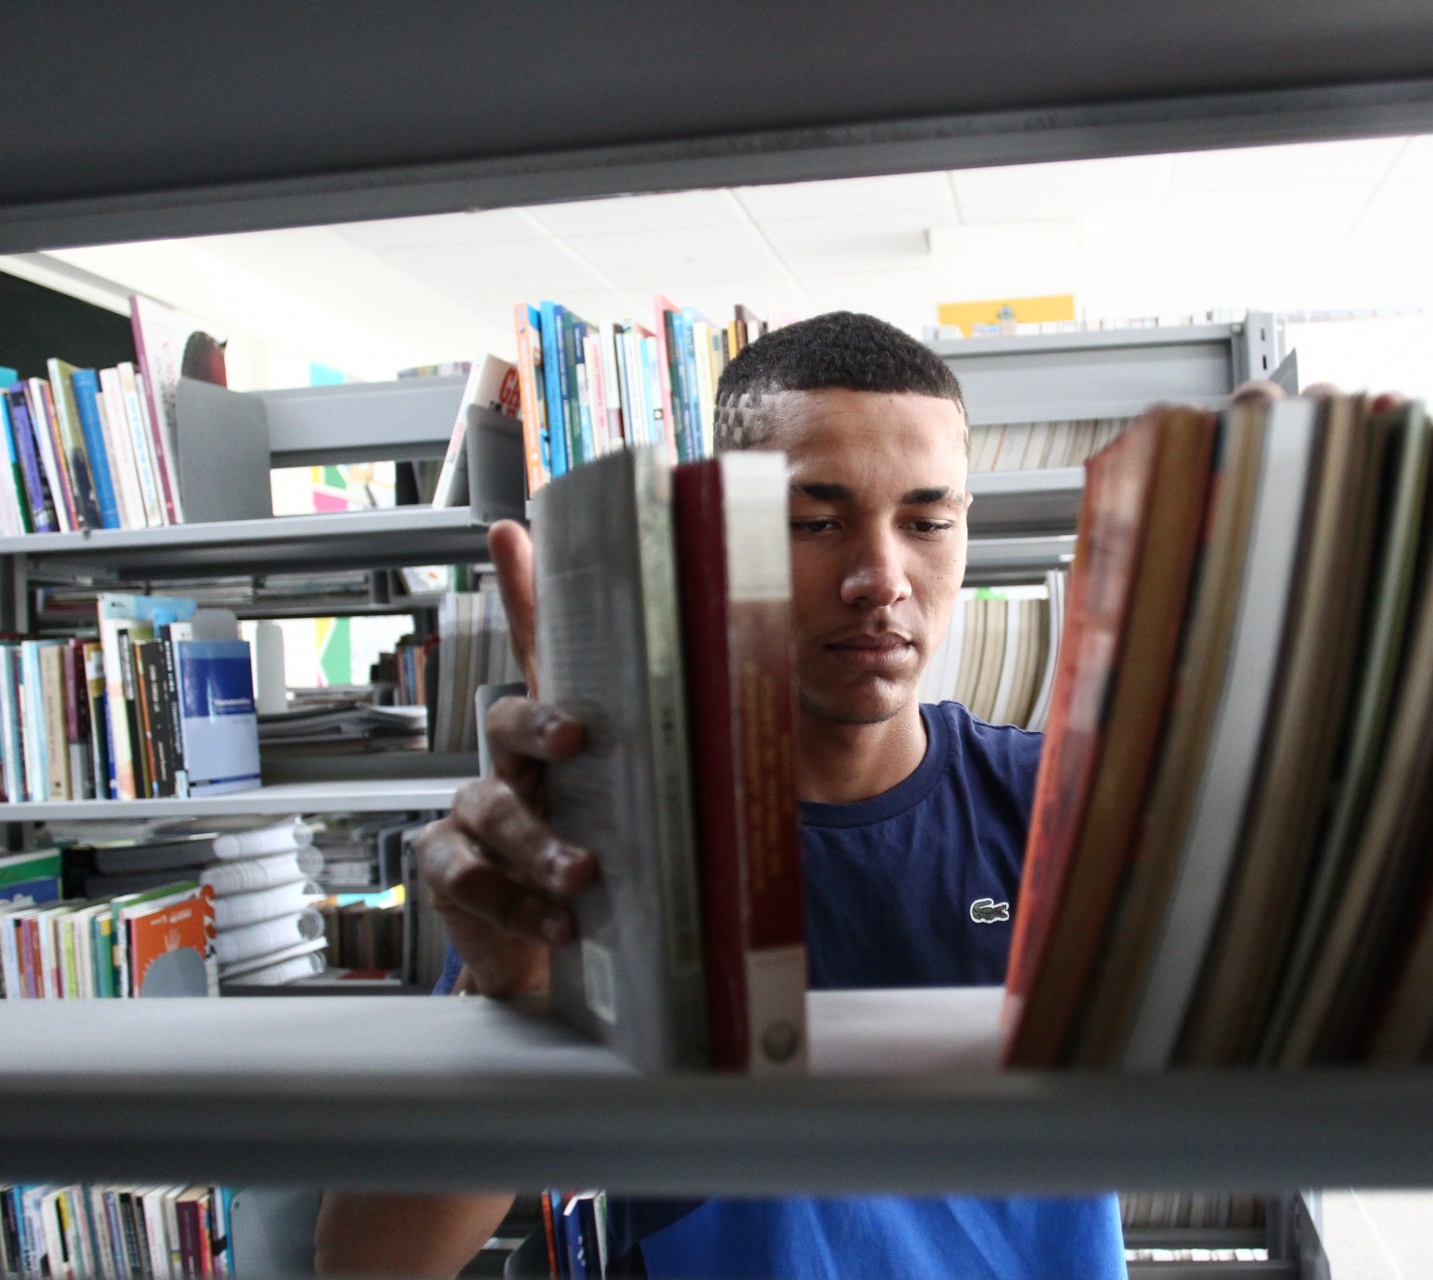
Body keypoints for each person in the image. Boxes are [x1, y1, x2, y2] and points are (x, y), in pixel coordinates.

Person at [316, 311, 1128, 1279]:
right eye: (814, 522)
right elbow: (369, 1265)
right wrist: (516, 996)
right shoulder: (619, 839)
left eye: (926, 521)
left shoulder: (1068, 809)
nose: (880, 578)